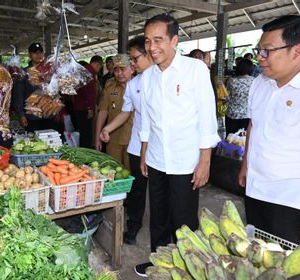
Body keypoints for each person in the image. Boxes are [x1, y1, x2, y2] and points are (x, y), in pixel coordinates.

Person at [136, 14, 219, 277]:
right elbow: (147, 120)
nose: (152, 47)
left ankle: (186, 270)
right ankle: (160, 265)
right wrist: (144, 152)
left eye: (158, 40)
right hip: (157, 158)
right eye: (148, 41)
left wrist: (205, 161)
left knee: (183, 221)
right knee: (158, 218)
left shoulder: (195, 70)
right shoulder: (147, 77)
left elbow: (207, 117)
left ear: (174, 40)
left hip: (186, 161)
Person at [239, 15, 300, 245]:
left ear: (298, 50)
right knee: (257, 254)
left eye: (267, 50)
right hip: (256, 189)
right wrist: (246, 163)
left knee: (288, 266)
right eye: (259, 50)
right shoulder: (260, 83)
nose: (260, 57)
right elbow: (253, 125)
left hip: (293, 200)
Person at [100, 36, 152, 245]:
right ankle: (134, 225)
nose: (131, 65)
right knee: (138, 187)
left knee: (158, 190)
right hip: (136, 144)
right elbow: (125, 111)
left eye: (133, 59)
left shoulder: (163, 78)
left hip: (158, 146)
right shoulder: (135, 84)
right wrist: (107, 128)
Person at [94, 54, 134, 167]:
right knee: (113, 171)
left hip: (132, 140)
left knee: (132, 174)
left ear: (132, 68)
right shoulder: (110, 86)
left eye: (123, 69)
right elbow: (102, 111)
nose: (119, 73)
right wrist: (97, 137)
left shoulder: (139, 86)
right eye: (116, 70)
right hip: (112, 139)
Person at [17, 43, 56, 132]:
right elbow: (19, 95)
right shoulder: (23, 73)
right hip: (32, 116)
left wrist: (56, 111)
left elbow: (54, 92)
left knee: (49, 142)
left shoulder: (49, 71)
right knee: (34, 143)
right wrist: (21, 114)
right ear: (29, 55)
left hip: (48, 114)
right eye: (35, 52)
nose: (38, 55)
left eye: (40, 52)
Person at [225, 58, 254, 135]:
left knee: (230, 139)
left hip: (232, 114)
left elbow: (227, 96)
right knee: (244, 139)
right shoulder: (254, 81)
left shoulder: (231, 81)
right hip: (247, 115)